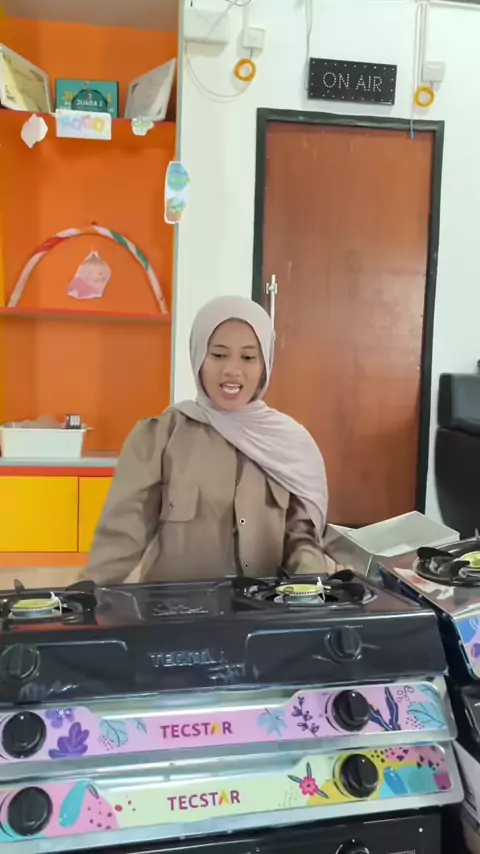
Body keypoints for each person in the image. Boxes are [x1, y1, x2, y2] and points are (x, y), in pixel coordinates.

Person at [85, 296, 331, 584]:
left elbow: (301, 538)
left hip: (262, 608)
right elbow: (122, 533)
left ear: (265, 364)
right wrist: (84, 594)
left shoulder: (289, 444)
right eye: (219, 355)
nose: (232, 370)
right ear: (198, 356)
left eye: (248, 357)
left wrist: (314, 590)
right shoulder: (159, 437)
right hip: (173, 609)